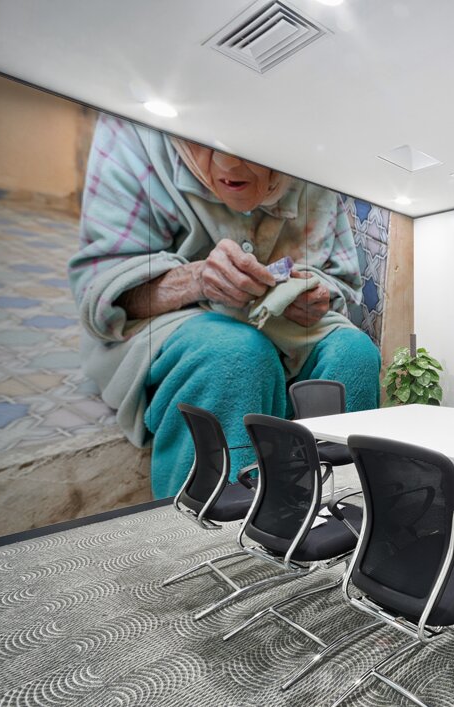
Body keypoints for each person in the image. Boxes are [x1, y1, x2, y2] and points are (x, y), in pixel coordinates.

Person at [68, 113, 381, 498]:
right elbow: (99, 290)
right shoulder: (132, 133)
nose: (229, 164)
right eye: (202, 141)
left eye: (255, 146)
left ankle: (342, 514)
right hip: (172, 318)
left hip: (286, 328)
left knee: (356, 353)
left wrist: (316, 296)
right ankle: (209, 540)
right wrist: (195, 279)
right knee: (235, 355)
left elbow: (339, 281)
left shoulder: (311, 159)